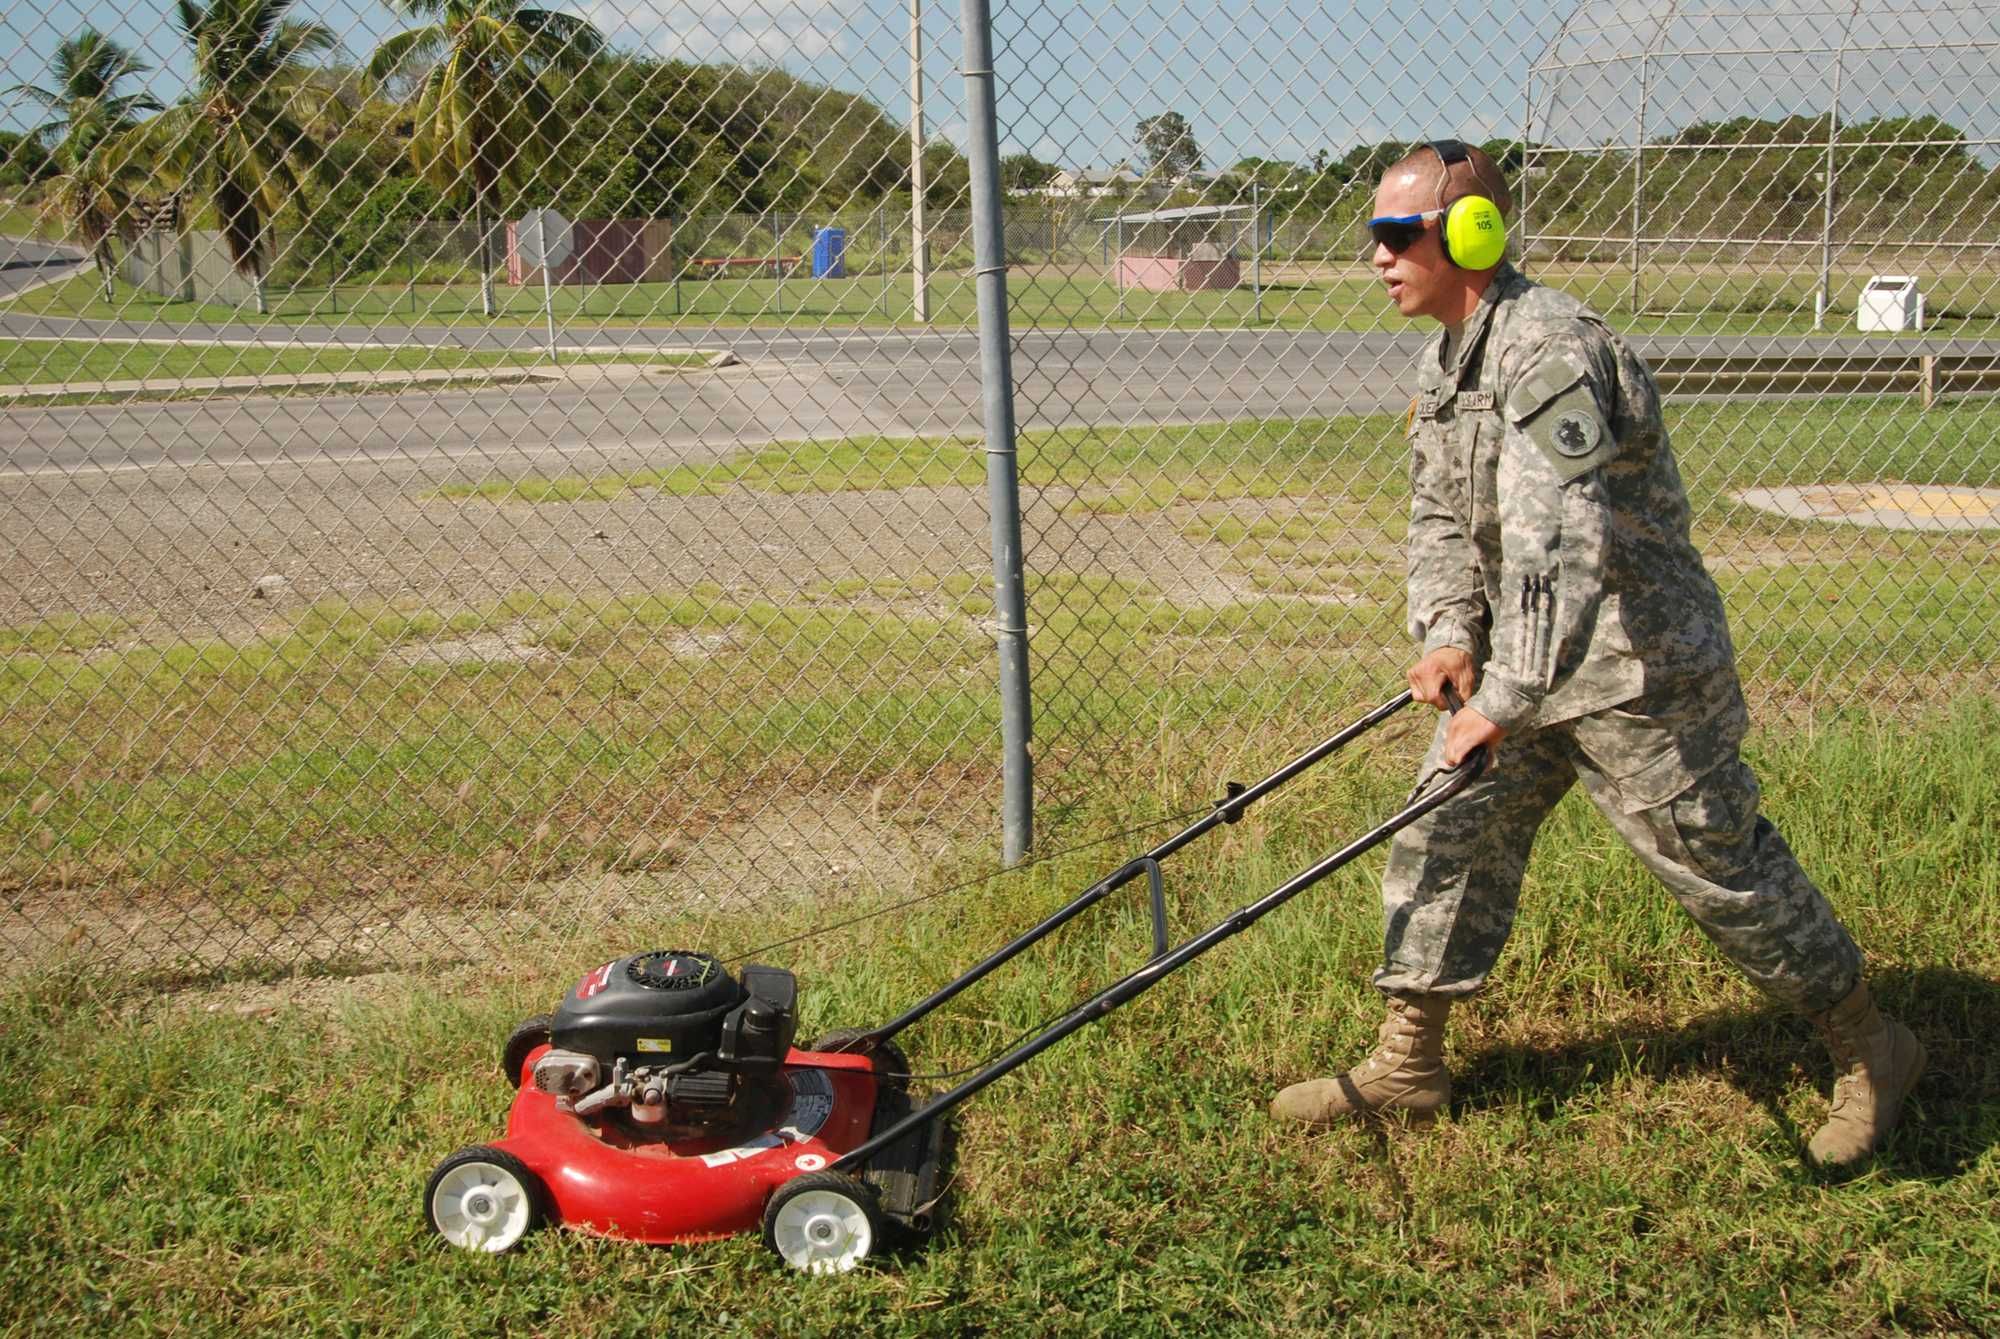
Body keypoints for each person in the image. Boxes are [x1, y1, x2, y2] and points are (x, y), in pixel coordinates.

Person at [1267, 140, 1923, 1168]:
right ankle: (1409, 1061)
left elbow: (1557, 540)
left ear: (1468, 235)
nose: (1377, 257)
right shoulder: (1449, 357)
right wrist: (1446, 631)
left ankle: (1869, 1047)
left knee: (1721, 871)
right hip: (1519, 672)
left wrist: (1507, 690)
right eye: (1373, 237)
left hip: (1634, 670)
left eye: (1397, 236)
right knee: (1441, 834)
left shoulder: (1548, 351)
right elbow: (1440, 513)